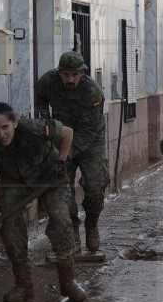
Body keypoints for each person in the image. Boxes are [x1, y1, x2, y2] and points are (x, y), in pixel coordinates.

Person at [0, 102, 87, 302]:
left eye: (5, 127)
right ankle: (23, 286)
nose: (1, 134)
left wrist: (60, 162)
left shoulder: (34, 128)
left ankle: (68, 282)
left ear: (15, 122)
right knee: (10, 227)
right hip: (16, 182)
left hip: (50, 175)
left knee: (61, 221)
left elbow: (68, 133)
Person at [35, 51, 108, 255]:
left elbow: (89, 131)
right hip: (61, 135)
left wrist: (66, 154)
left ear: (82, 73)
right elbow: (39, 98)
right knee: (61, 188)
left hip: (90, 140)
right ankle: (73, 229)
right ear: (59, 73)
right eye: (66, 74)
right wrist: (45, 121)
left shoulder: (92, 91)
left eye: (74, 75)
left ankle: (91, 224)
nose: (70, 79)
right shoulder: (48, 82)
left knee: (95, 185)